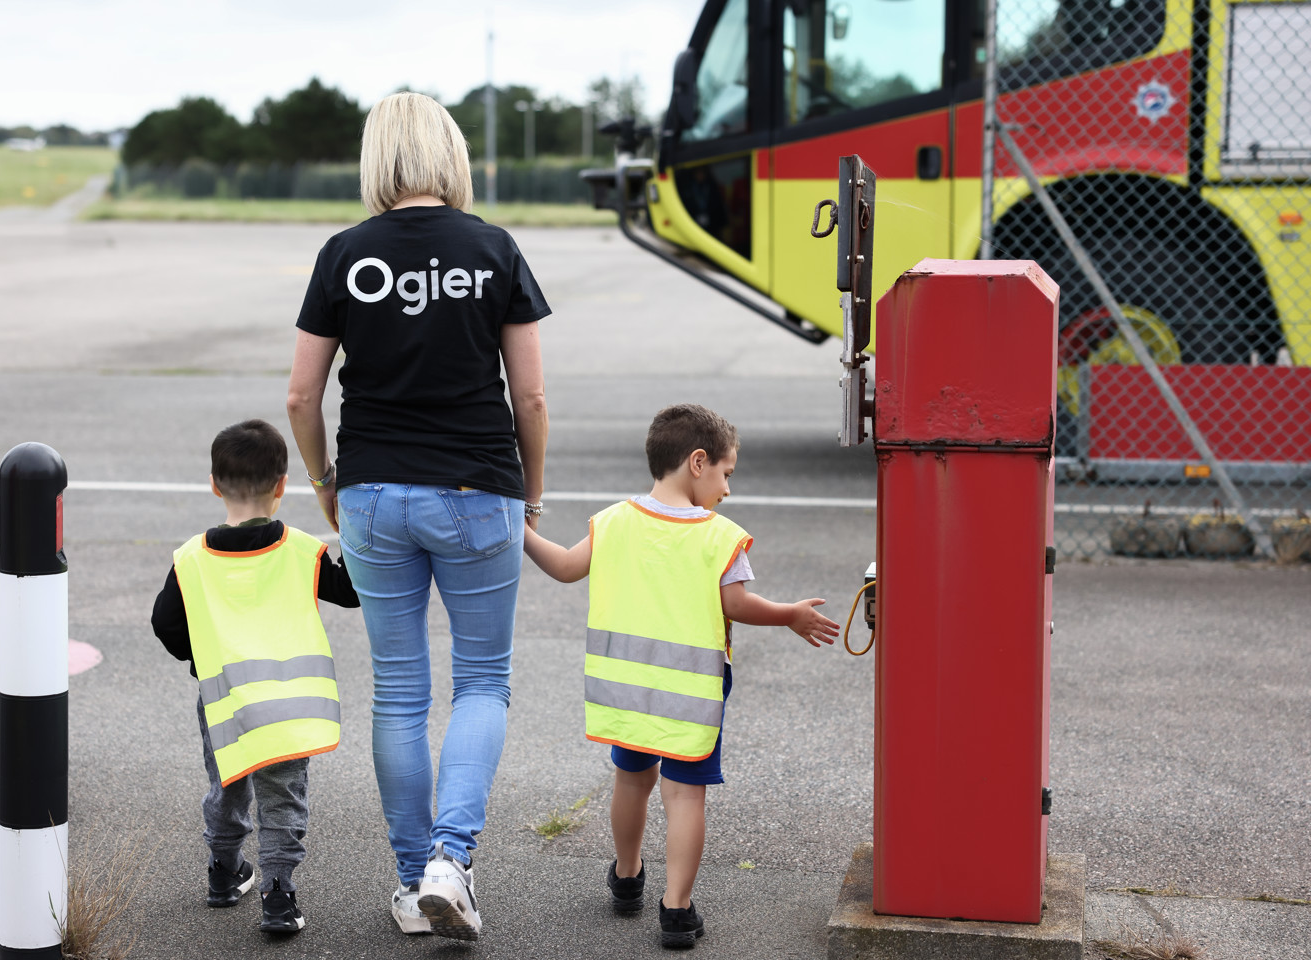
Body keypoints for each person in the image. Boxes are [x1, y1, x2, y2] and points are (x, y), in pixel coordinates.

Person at [285, 91, 550, 942]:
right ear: (449, 154)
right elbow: (532, 395)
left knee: (399, 694)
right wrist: (530, 493)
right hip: (479, 490)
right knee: (481, 681)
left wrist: (329, 484)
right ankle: (450, 859)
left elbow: (300, 393)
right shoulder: (493, 248)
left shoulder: (346, 253)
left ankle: (411, 887)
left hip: (370, 492)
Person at [522, 404, 839, 950]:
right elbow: (736, 604)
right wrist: (789, 613)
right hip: (694, 691)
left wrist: (518, 529)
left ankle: (626, 877)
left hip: (627, 689)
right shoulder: (720, 536)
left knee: (631, 780)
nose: (728, 490)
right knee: (685, 796)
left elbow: (566, 568)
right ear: (698, 462)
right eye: (726, 474)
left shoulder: (614, 520)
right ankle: (676, 909)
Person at [151, 418, 360, 935]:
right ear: (282, 486)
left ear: (215, 484)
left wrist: (199, 659)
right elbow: (353, 591)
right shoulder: (301, 550)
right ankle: (278, 892)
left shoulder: (191, 559)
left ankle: (223, 872)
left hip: (222, 701)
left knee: (228, 783)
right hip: (290, 706)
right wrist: (350, 524)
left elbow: (165, 625)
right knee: (282, 792)